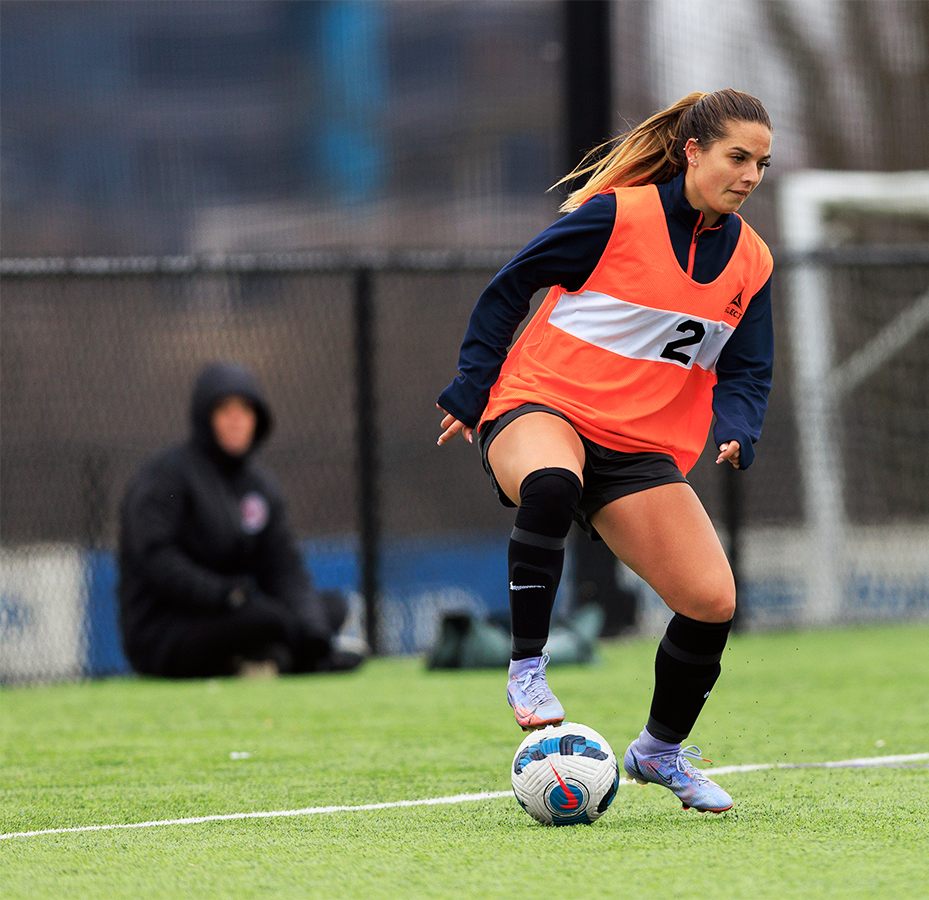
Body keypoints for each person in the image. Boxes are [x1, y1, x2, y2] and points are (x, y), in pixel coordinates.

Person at [435, 89, 775, 814]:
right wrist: (470, 387)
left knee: (712, 601)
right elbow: (510, 286)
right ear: (692, 152)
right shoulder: (620, 215)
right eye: (737, 157)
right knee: (552, 483)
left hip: (636, 448)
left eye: (762, 164)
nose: (750, 174)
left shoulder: (752, 260)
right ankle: (528, 670)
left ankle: (659, 752)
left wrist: (740, 425)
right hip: (540, 405)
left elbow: (748, 367)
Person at [119, 362, 363, 678]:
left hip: (235, 614)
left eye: (245, 410)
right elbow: (157, 560)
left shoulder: (260, 486)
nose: (236, 421)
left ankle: (281, 657)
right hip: (167, 631)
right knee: (266, 620)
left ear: (257, 419)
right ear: (205, 417)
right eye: (225, 410)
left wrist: (314, 632)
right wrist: (223, 594)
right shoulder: (166, 476)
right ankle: (289, 659)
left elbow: (284, 569)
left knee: (329, 608)